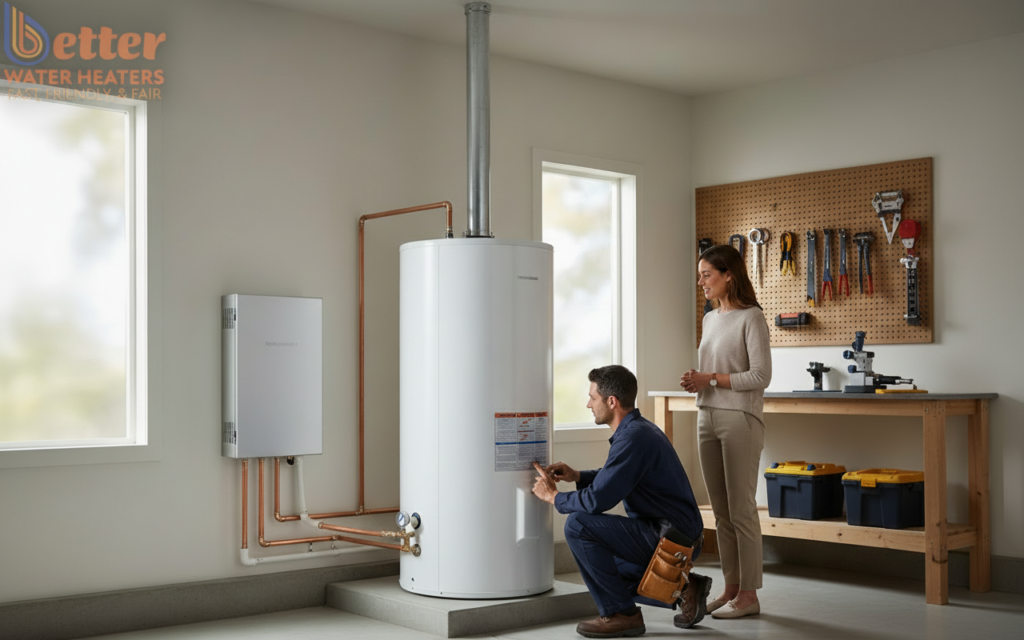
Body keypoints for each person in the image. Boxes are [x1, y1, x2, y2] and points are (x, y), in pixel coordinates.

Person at [532, 364, 710, 638]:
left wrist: (554, 497)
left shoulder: (633, 438)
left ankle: (621, 614)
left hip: (670, 539)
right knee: (599, 563)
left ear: (611, 401)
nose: (588, 404)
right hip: (675, 534)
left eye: (593, 397)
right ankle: (686, 590)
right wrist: (577, 475)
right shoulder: (638, 430)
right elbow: (616, 477)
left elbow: (598, 500)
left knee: (578, 525)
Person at [680, 244, 772, 619]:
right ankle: (731, 588)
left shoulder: (752, 318)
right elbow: (714, 373)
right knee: (720, 512)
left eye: (707, 274)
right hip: (707, 415)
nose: (700, 281)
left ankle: (749, 595)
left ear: (728, 274)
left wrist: (711, 378)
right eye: (700, 274)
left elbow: (760, 376)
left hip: (740, 419)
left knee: (742, 509)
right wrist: (696, 381)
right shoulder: (711, 318)